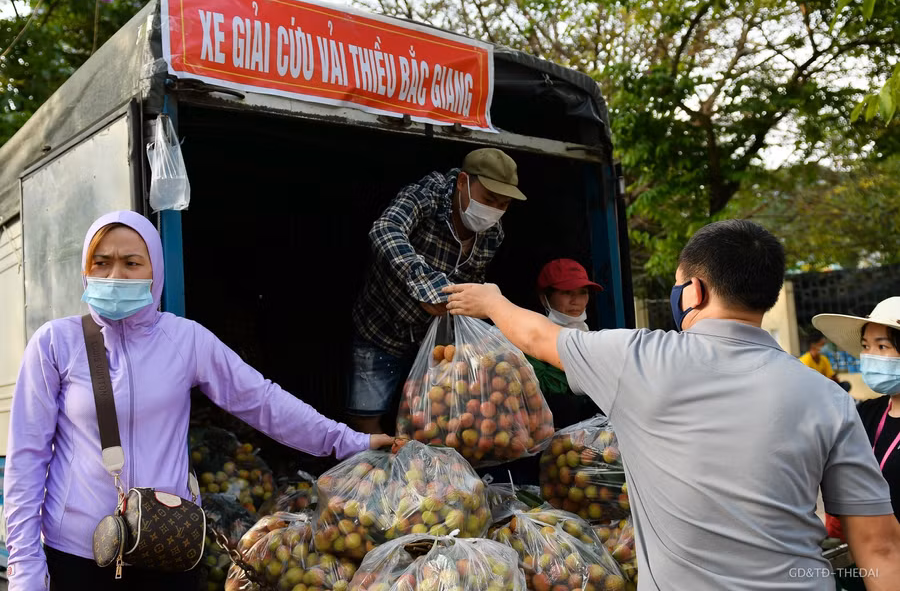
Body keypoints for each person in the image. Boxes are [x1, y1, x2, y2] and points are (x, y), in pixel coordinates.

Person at [445, 220, 900, 590]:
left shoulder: (638, 359)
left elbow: (538, 337)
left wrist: (492, 300)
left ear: (694, 292)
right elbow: (879, 548)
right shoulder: (828, 396)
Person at [4, 211, 393, 591]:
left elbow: (262, 401)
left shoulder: (186, 339)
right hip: (77, 554)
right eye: (101, 263)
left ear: (155, 269)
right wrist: (25, 566)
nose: (115, 275)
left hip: (168, 546)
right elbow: (27, 456)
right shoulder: (56, 343)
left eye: (131, 262)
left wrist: (348, 440)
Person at [349, 148, 526, 433]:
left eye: (503, 204)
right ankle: (373, 475)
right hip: (381, 331)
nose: (494, 210)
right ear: (462, 182)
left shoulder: (493, 234)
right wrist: (426, 287)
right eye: (489, 199)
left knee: (431, 417)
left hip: (435, 346)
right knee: (366, 416)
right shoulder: (429, 195)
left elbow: (473, 282)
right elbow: (385, 229)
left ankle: (422, 475)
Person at [813, 297, 900, 590]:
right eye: (865, 346)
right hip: (859, 562)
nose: (870, 355)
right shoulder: (865, 412)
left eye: (882, 346)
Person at [529, 258, 603, 428]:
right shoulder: (531, 340)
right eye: (567, 292)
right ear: (544, 298)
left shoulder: (593, 337)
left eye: (583, 292)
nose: (576, 301)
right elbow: (540, 386)